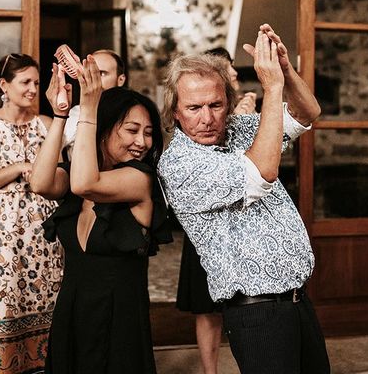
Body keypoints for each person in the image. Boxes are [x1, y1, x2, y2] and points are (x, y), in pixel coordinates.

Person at [158, 24, 330, 374]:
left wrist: (285, 70)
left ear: (229, 103)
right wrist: (272, 87)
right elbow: (261, 173)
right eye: (193, 108)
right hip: (256, 312)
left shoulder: (242, 129)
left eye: (216, 105)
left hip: (297, 300)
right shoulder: (178, 163)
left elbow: (306, 113)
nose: (207, 118)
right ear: (175, 110)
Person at [30, 55, 172, 374]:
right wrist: (60, 114)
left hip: (118, 319)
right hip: (72, 310)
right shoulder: (78, 173)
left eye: (148, 133)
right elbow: (39, 182)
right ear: (105, 130)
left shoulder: (139, 180)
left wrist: (90, 106)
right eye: (132, 130)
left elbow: (84, 183)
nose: (142, 142)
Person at [0, 53, 63, 374]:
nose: (33, 89)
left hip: (44, 231)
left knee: (46, 299)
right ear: (4, 85)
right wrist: (19, 167)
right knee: (1, 301)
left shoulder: (46, 125)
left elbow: (62, 176)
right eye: (25, 82)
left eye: (36, 82)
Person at [175, 47, 256, 374]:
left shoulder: (240, 121)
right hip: (207, 229)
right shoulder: (192, 138)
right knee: (207, 307)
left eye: (234, 77)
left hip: (240, 228)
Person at [60, 48, 126, 159]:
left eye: (101, 73)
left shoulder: (129, 113)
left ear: (120, 80)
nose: (93, 78)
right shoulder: (73, 114)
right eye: (89, 73)